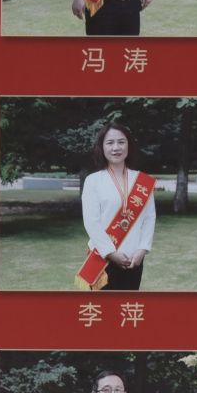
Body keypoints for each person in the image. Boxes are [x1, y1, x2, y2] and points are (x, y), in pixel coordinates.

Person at [76, 122, 155, 291]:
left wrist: (142, 249)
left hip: (134, 259)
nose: (116, 147)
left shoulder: (143, 181)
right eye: (110, 143)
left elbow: (149, 218)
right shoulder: (93, 181)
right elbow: (91, 222)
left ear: (128, 145)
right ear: (102, 147)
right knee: (103, 307)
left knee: (127, 305)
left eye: (121, 142)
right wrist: (111, 253)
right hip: (102, 259)